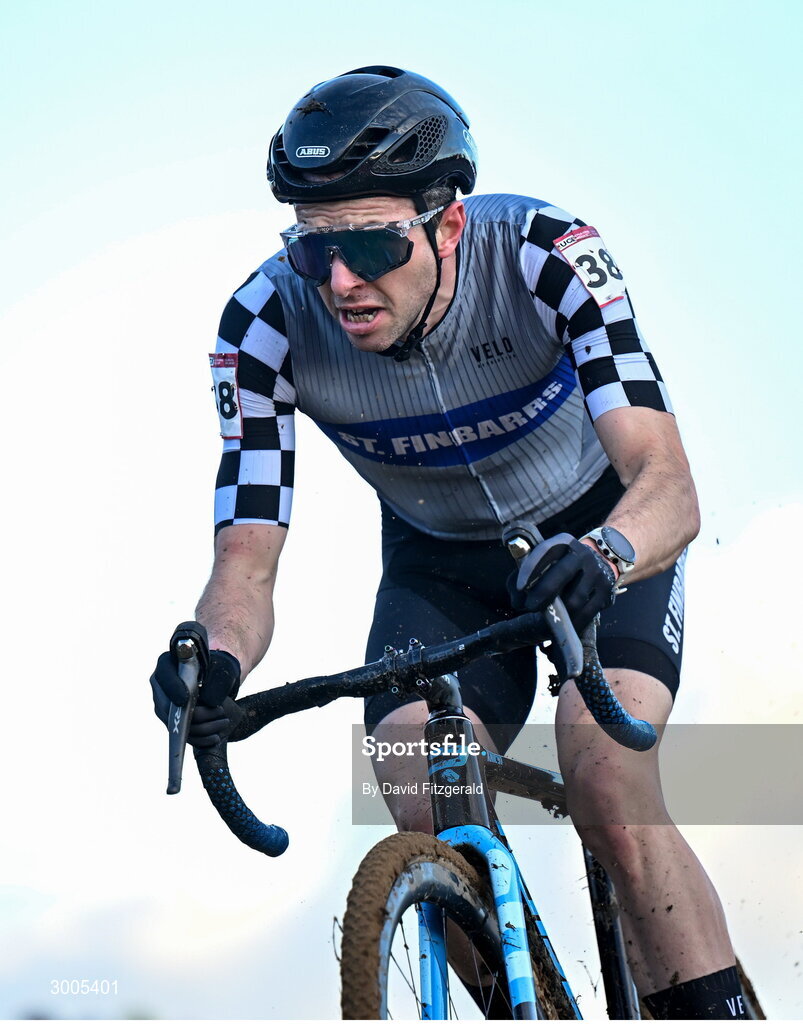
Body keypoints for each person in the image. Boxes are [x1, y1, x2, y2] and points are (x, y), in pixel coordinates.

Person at [150, 66, 747, 1019]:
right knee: (412, 777)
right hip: (440, 562)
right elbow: (245, 560)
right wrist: (210, 658)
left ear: (449, 224)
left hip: (599, 533)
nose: (341, 282)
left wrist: (605, 554)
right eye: (314, 252)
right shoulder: (262, 323)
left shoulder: (543, 253)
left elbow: (667, 488)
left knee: (605, 777)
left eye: (373, 244)